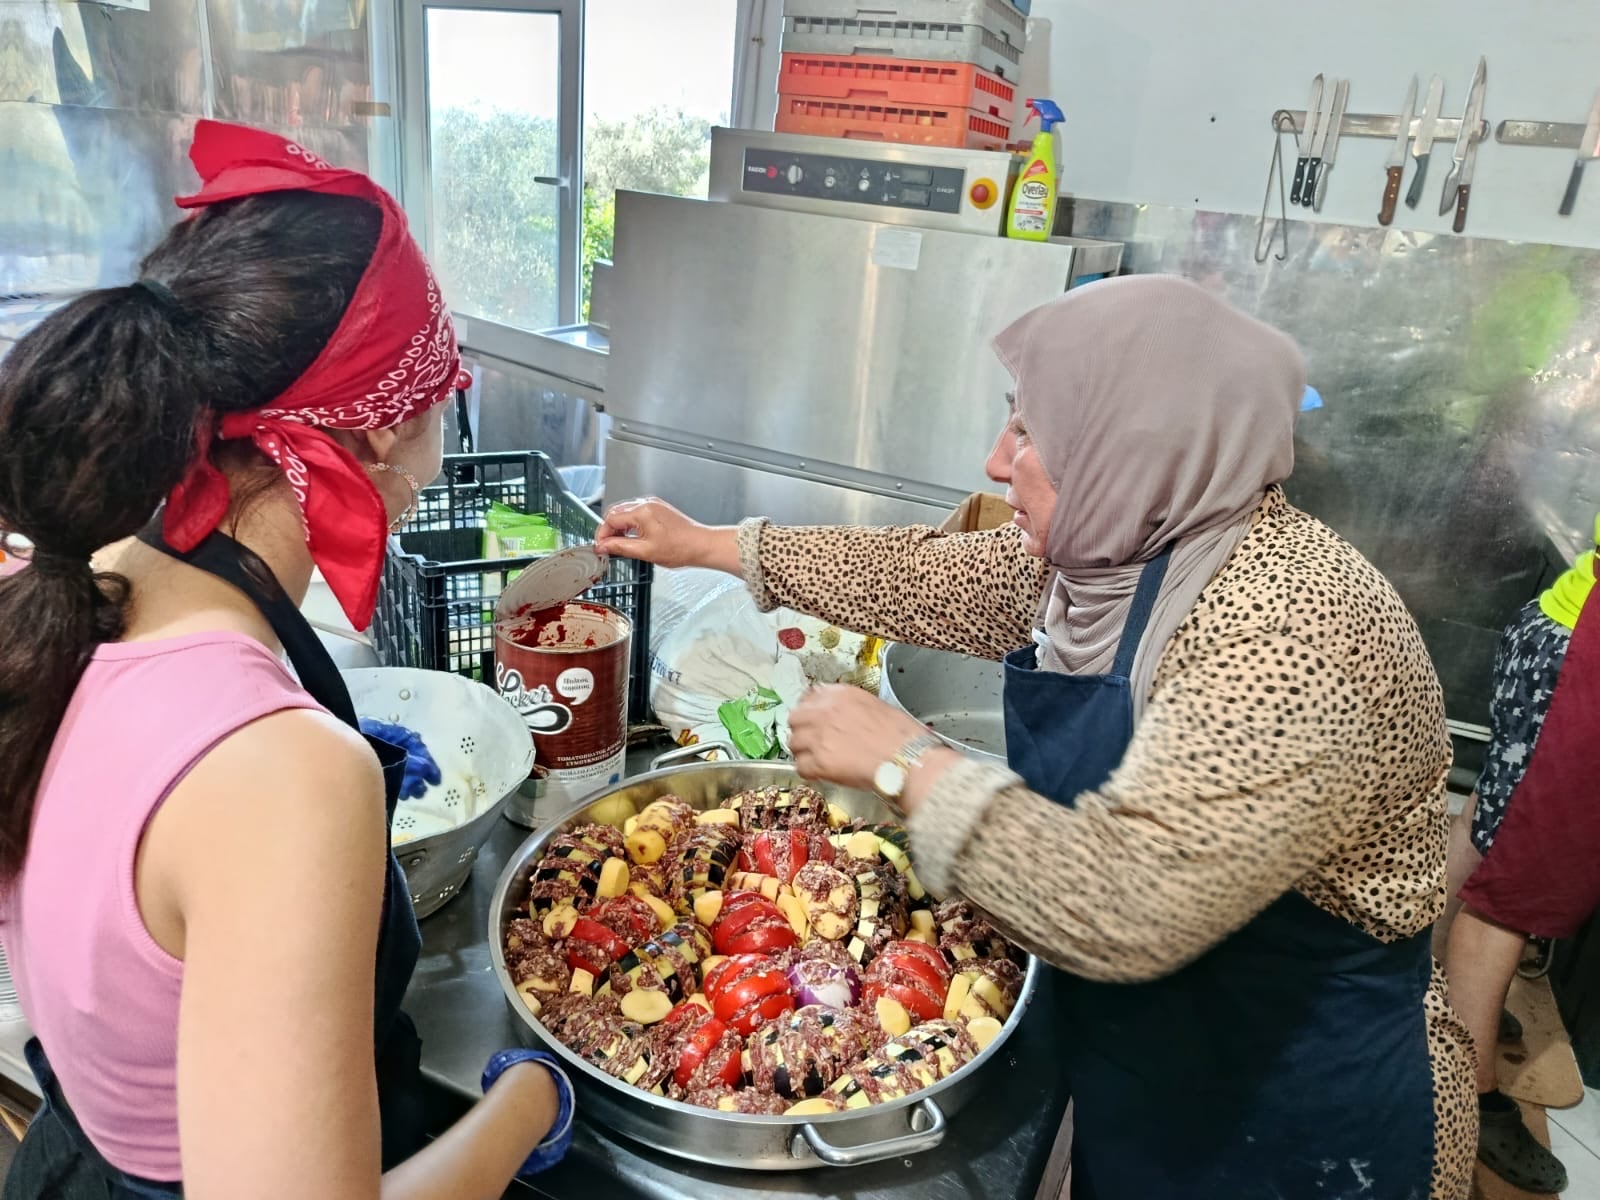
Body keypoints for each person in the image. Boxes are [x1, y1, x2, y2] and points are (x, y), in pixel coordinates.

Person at [599, 275, 1477, 1200]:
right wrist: (718, 544)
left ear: (1129, 448)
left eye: (1029, 433)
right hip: (1156, 1062)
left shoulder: (1293, 627)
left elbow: (1128, 904)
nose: (992, 461)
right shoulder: (1126, 544)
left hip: (1304, 1110)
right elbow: (929, 576)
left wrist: (907, 762)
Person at [0, 122, 573, 1198]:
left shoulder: (82, 580)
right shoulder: (280, 777)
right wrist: (523, 1107)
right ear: (371, 435)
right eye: (443, 391)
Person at [1435, 514, 1600, 1195]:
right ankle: (1466, 1091)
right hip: (1578, 661)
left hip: (1558, 630)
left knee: (1492, 824)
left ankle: (1426, 981)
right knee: (1521, 880)